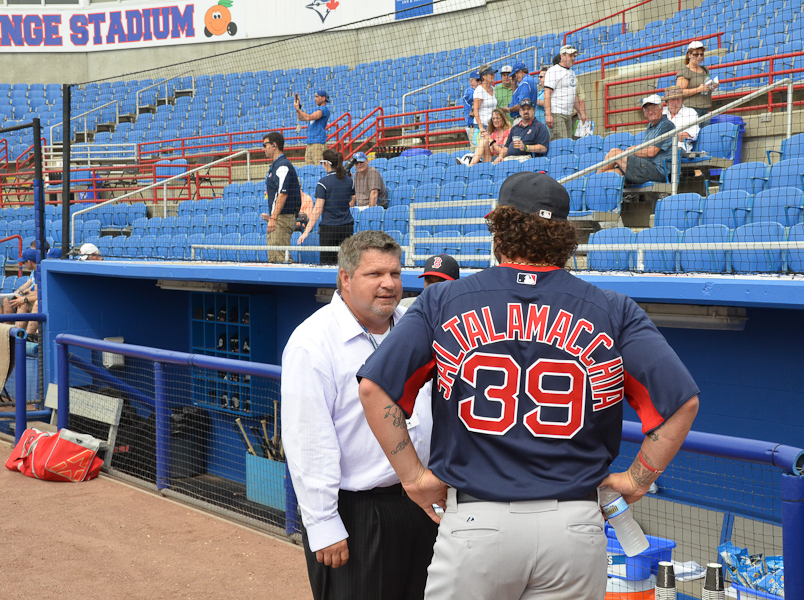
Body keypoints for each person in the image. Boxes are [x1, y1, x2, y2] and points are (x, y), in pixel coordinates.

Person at [357, 172, 700, 600]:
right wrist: (637, 479)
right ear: (565, 235)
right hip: (573, 525)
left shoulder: (443, 301)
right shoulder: (612, 309)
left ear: (498, 225)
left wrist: (413, 478)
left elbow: (374, 388)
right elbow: (682, 402)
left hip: (475, 524)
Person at [281, 230, 437, 600]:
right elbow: (308, 440)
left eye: (395, 274)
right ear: (346, 278)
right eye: (375, 274)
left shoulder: (416, 327)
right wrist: (323, 524)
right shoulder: (313, 342)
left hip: (422, 501)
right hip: (359, 512)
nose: (388, 284)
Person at [598, 95, 676, 185]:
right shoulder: (650, 127)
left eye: (654, 108)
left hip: (658, 171)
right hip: (645, 168)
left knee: (614, 153)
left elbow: (651, 152)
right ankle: (595, 184)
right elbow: (647, 149)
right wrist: (635, 148)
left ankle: (591, 183)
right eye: (647, 109)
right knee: (610, 174)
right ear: (644, 112)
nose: (650, 112)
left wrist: (632, 151)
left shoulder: (666, 125)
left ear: (661, 109)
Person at [298, 149, 355, 265]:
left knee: (327, 265)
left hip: (329, 229)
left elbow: (318, 209)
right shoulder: (350, 181)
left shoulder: (323, 183)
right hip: (347, 228)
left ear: (326, 164)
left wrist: (306, 232)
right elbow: (352, 199)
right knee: (346, 265)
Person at [260, 131, 302, 263]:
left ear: (274, 145)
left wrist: (273, 217)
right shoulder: (276, 166)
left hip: (282, 218)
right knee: (273, 259)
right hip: (278, 218)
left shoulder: (283, 166)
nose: (263, 149)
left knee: (281, 259)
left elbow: (283, 194)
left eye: (265, 145)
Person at [544, 45, 587, 141]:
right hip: (557, 114)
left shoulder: (571, 72)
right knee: (562, 144)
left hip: (568, 115)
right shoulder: (553, 71)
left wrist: (582, 114)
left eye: (574, 56)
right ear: (562, 56)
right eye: (570, 55)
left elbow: (574, 96)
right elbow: (547, 93)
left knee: (569, 143)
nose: (573, 58)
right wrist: (548, 114)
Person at [0, 248, 38, 318]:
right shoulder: (35, 272)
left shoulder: (39, 271)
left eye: (24, 262)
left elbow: (38, 292)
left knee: (0, 300)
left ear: (29, 262)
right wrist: (16, 293)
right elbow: (27, 284)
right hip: (27, 294)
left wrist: (26, 294)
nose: (24, 265)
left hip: (31, 297)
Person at [493, 98, 550, 164]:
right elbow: (506, 147)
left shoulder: (540, 126)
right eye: (523, 109)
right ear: (520, 112)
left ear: (534, 111)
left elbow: (544, 148)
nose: (526, 111)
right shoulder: (515, 128)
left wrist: (526, 147)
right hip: (510, 159)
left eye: (528, 109)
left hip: (527, 160)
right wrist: (500, 156)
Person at [676, 41, 717, 117]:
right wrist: (698, 89)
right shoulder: (685, 72)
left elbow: (706, 87)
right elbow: (679, 92)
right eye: (696, 54)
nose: (699, 57)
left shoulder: (705, 69)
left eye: (701, 54)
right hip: (690, 110)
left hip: (705, 108)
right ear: (689, 55)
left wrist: (711, 86)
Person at [295, 90, 332, 166]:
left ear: (323, 98)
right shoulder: (315, 110)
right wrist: (298, 107)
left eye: (317, 97)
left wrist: (298, 109)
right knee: (310, 169)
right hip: (310, 144)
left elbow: (308, 117)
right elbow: (300, 118)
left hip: (318, 144)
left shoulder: (324, 109)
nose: (315, 99)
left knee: (320, 168)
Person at [663, 86, 700, 153]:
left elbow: (692, 135)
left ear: (682, 100)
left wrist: (664, 138)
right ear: (666, 101)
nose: (675, 102)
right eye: (672, 99)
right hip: (659, 149)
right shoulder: (661, 112)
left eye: (678, 99)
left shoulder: (690, 112)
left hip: (680, 149)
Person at [471, 65, 498, 147]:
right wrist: (481, 127)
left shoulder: (493, 89)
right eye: (491, 74)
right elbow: (475, 111)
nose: (494, 75)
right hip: (483, 126)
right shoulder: (479, 90)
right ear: (484, 76)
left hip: (491, 126)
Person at [462, 71, 480, 150]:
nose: (479, 82)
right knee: (476, 151)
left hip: (482, 125)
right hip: (473, 127)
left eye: (480, 80)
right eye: (477, 80)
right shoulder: (469, 92)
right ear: (471, 81)